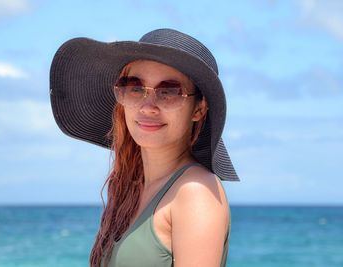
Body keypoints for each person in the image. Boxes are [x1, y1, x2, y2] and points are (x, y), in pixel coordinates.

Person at [49, 28, 240, 267]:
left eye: (169, 92)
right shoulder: (132, 190)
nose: (148, 107)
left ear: (199, 109)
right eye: (136, 88)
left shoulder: (194, 192)